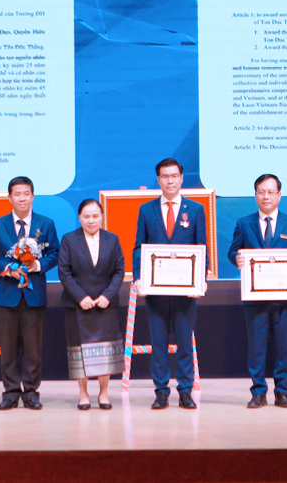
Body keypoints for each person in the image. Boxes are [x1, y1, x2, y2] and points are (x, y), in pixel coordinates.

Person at [227, 174, 287, 409]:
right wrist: (238, 258)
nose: (266, 196)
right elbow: (232, 252)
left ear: (279, 196)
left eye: (271, 192)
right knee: (256, 349)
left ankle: (282, 392)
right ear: (255, 195)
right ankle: (258, 392)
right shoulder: (244, 223)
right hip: (255, 299)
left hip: (284, 298)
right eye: (261, 192)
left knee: (284, 348)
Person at [132, 157, 208, 410]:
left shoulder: (196, 209)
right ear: (158, 180)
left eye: (174, 175)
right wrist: (139, 278)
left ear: (181, 178)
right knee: (159, 344)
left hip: (185, 292)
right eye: (165, 176)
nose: (170, 180)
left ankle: (185, 391)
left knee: (186, 343)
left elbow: (201, 248)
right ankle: (161, 392)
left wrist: (201, 281)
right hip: (155, 291)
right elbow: (138, 248)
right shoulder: (146, 209)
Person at [0, 176, 59, 410]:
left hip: (34, 295)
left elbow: (54, 253)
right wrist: (8, 269)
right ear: (9, 197)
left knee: (33, 349)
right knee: (8, 349)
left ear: (33, 196)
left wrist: (37, 265)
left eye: (26, 193)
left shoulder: (45, 224)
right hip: (6, 294)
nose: (22, 198)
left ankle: (31, 393)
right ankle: (11, 392)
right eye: (17, 194)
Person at [58, 199, 125, 410]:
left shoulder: (112, 239)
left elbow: (119, 271)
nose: (91, 220)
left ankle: (104, 393)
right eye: (86, 216)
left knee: (106, 353)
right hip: (79, 306)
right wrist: (81, 297)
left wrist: (107, 295)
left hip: (106, 305)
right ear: (79, 218)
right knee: (80, 352)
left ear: (102, 216)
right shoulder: (69, 239)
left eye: (95, 216)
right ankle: (83, 394)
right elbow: (64, 272)